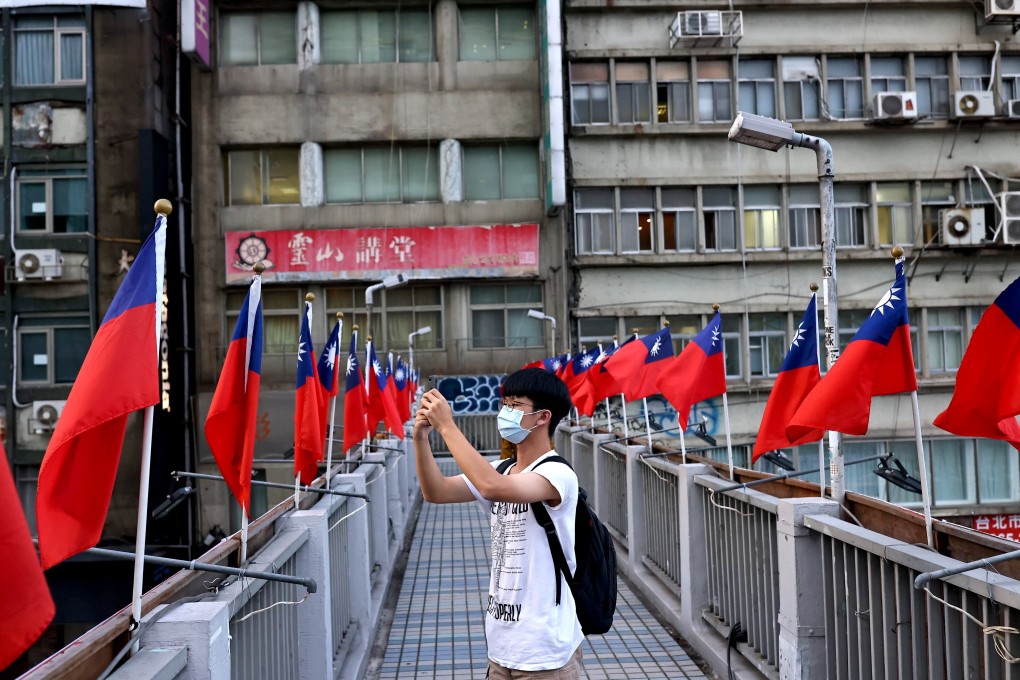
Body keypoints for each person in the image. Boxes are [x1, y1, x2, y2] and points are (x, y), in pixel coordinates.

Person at [414, 367, 583, 678]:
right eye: (504, 403)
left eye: (515, 405)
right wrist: (421, 437)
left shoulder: (558, 475)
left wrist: (448, 426)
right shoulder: (502, 468)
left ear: (543, 417)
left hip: (544, 652)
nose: (505, 412)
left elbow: (491, 487)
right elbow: (435, 492)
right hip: (501, 644)